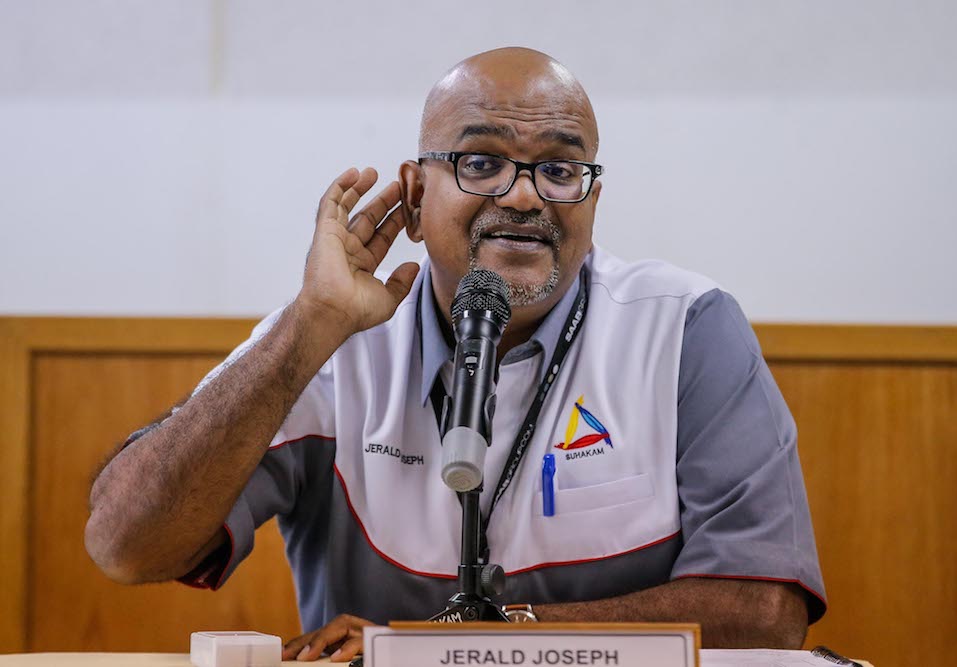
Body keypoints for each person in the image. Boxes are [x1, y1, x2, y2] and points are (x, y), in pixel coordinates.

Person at [85, 47, 825, 662]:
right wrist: (307, 330)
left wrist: (465, 642)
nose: (527, 197)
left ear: (593, 197)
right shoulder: (327, 340)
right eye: (481, 162)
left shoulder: (686, 330)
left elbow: (762, 612)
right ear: (413, 192)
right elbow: (124, 545)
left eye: (561, 170)